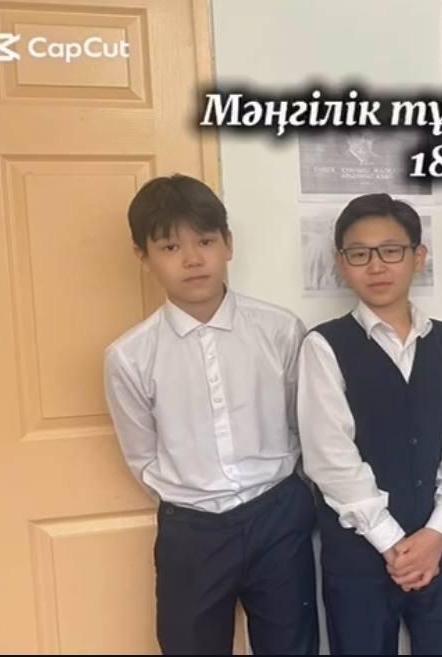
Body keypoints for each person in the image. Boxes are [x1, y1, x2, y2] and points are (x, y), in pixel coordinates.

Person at [103, 174, 318, 655]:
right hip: (192, 531)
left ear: (228, 244)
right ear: (143, 256)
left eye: (205, 241)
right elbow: (142, 456)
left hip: (278, 516)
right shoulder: (130, 356)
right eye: (170, 247)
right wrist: (194, 495)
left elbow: (302, 423)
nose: (192, 259)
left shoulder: (280, 331)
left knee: (292, 646)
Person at [297, 193, 442, 654]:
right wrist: (394, 545)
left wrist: (437, 532)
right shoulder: (323, 346)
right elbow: (330, 459)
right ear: (342, 263)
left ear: (418, 257)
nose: (376, 266)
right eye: (359, 254)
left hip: (439, 544)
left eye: (391, 250)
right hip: (359, 555)